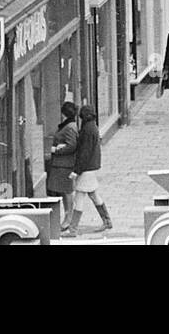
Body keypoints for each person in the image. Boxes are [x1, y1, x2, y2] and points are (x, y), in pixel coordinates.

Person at [63, 104, 112, 236]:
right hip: (92, 166)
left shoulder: (87, 130)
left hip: (86, 168)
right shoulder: (93, 127)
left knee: (79, 197)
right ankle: (107, 221)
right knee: (94, 195)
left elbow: (84, 153)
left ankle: (73, 229)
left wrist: (76, 171)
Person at [46, 101, 79, 229]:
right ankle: (67, 216)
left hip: (64, 164)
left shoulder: (69, 127)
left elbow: (72, 145)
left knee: (67, 192)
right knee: (65, 191)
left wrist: (57, 149)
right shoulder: (70, 125)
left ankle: (68, 218)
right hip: (62, 164)